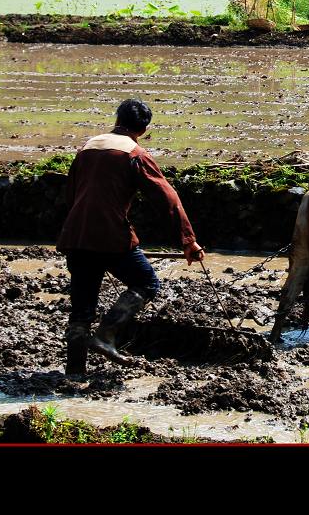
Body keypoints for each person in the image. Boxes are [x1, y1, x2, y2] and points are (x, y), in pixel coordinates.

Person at [56, 98, 204, 376]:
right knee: (147, 283)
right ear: (144, 129)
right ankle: (107, 333)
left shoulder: (87, 148)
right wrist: (188, 239)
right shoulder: (134, 153)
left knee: (81, 309)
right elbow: (166, 198)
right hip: (111, 235)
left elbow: (71, 194)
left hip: (75, 235)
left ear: (116, 120)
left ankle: (74, 374)